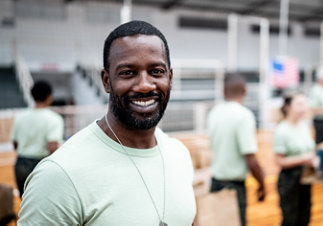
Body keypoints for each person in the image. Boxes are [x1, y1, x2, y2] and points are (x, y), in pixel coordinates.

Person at [18, 21, 196, 225]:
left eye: (156, 71)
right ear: (106, 81)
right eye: (128, 72)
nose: (145, 85)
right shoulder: (59, 176)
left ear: (170, 78)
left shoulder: (179, 155)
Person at [207, 73, 266, 226]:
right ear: (245, 90)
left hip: (215, 183)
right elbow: (250, 157)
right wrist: (262, 184)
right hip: (233, 188)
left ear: (223, 90)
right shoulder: (244, 115)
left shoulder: (214, 113)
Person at [10, 80, 64, 197]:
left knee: (24, 203)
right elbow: (52, 147)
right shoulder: (54, 119)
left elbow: (15, 144)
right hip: (40, 164)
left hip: (21, 164)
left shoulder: (20, 116)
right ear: (49, 96)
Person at [273, 93, 316, 226]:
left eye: (305, 104)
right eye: (299, 104)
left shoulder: (304, 126)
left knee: (305, 216)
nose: (303, 108)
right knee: (290, 219)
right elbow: (278, 161)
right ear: (288, 107)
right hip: (289, 180)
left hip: (306, 177)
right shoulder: (282, 130)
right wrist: (302, 159)